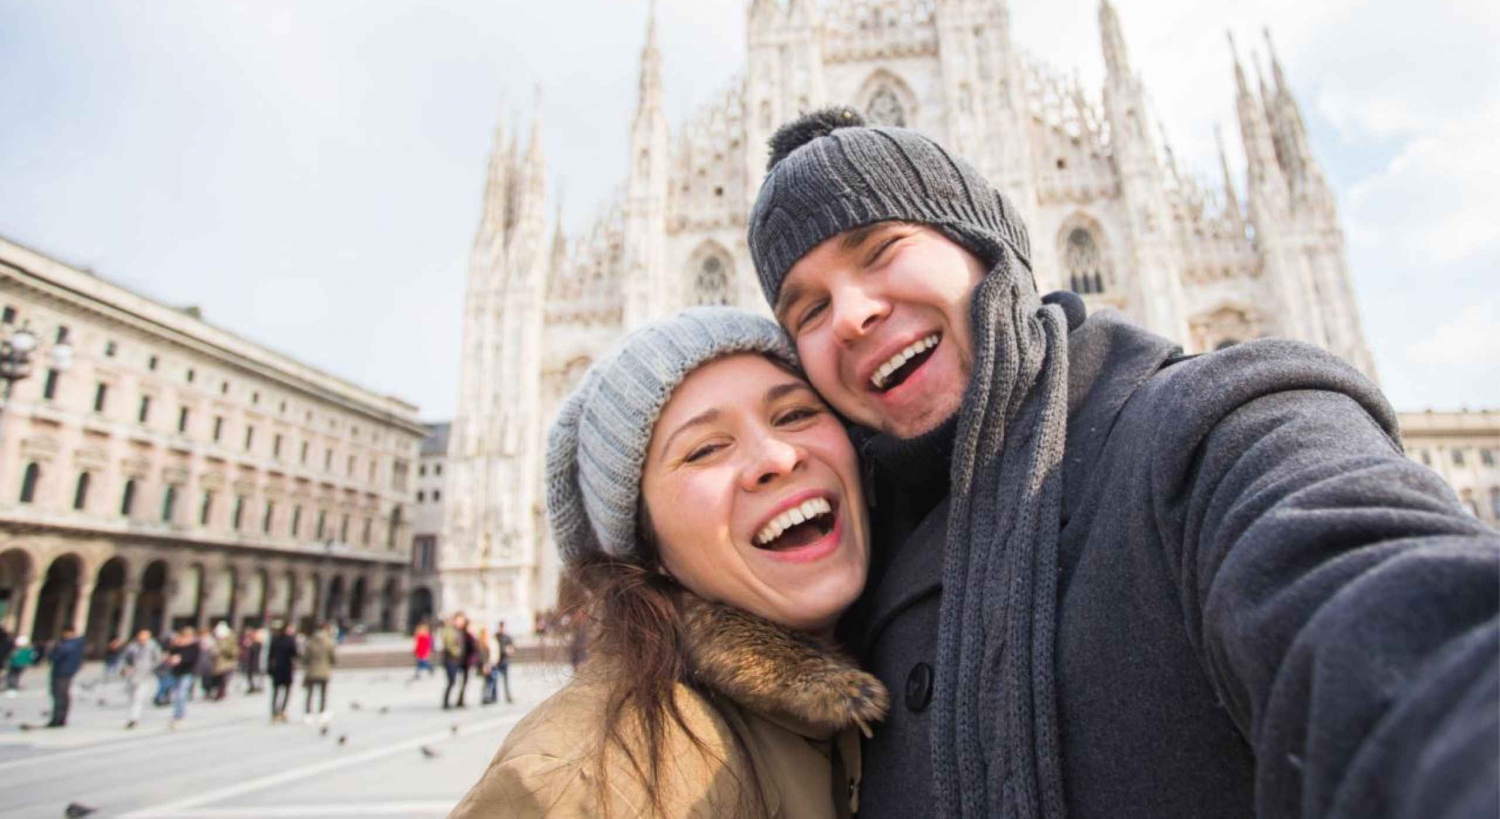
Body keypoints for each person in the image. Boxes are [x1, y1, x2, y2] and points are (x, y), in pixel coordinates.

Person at [744, 107, 1500, 819]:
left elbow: (1386, 615)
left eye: (883, 250)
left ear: (983, 246)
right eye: (809, 309)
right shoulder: (838, 571)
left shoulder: (1212, 424)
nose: (853, 315)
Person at [453, 308, 886, 817]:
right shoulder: (583, 784)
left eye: (794, 415)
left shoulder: (886, 681)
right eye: (705, 449)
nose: (778, 457)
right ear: (645, 548)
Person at [120, 628, 162, 729]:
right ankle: (132, 716)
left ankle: (134, 718)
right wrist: (125, 668)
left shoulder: (153, 647)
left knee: (138, 697)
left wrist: (150, 668)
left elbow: (158, 660)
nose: (143, 637)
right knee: (132, 697)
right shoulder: (132, 646)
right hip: (132, 675)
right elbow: (125, 658)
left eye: (145, 635)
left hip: (145, 675)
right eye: (141, 635)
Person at [45, 624, 85, 727]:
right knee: (62, 695)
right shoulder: (76, 644)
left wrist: (52, 649)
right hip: (66, 672)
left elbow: (56, 656)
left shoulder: (68, 645)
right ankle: (60, 718)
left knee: (59, 695)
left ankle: (58, 718)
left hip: (62, 672)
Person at [164, 625, 200, 730]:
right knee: (176, 694)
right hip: (176, 672)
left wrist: (181, 658)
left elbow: (192, 658)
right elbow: (169, 654)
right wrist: (172, 649)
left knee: (181, 694)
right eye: (184, 635)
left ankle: (179, 715)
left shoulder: (194, 646)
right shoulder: (177, 645)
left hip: (187, 673)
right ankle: (177, 713)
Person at [440, 611, 475, 710]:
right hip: (451, 659)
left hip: (461, 660)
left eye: (462, 620)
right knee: (452, 681)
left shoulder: (463, 631)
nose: (460, 622)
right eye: (459, 620)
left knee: (463, 680)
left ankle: (460, 700)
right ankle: (446, 702)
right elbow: (448, 644)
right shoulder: (450, 630)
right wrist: (457, 652)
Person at [301, 621, 335, 723]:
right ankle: (322, 712)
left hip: (311, 670)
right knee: (323, 692)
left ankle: (308, 713)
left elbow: (306, 657)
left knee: (310, 693)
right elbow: (332, 657)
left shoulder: (310, 641)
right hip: (324, 670)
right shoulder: (329, 641)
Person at [266, 621, 297, 723]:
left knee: (276, 691)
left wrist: (269, 669)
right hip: (286, 669)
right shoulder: (290, 640)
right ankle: (283, 710)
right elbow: (295, 653)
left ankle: (274, 712)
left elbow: (270, 655)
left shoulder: (275, 639)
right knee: (286, 691)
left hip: (276, 669)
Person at [210, 622, 237, 700]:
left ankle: (221, 693)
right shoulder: (216, 639)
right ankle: (217, 692)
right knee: (217, 679)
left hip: (226, 664)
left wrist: (223, 649)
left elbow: (234, 651)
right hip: (217, 663)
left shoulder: (230, 640)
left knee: (223, 679)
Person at [492, 621, 515, 705]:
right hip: (496, 661)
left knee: (506, 680)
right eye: (501, 627)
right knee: (494, 680)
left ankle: (508, 696)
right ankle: (494, 697)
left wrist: (509, 651)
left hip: (504, 660)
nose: (502, 629)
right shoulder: (495, 636)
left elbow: (512, 648)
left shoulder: (508, 637)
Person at [242, 626, 264, 694]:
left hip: (255, 662)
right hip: (250, 662)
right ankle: (252, 686)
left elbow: (255, 653)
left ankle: (256, 687)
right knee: (250, 675)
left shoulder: (257, 644)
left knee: (255, 675)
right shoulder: (250, 643)